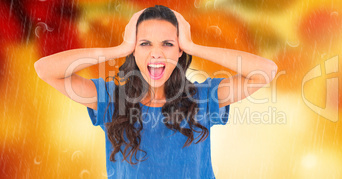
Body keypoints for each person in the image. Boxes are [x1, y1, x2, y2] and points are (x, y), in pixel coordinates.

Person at [34, 5, 278, 179]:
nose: (156, 54)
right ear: (134, 50)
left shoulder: (202, 98)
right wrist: (120, 48)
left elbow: (266, 71)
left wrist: (193, 45)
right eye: (145, 43)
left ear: (179, 50)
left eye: (168, 44)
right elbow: (45, 69)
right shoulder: (111, 100)